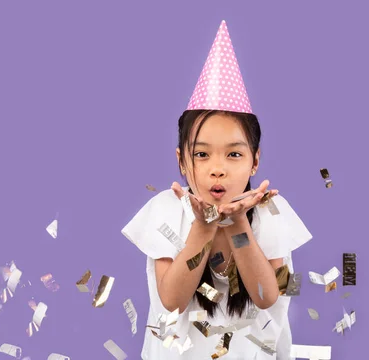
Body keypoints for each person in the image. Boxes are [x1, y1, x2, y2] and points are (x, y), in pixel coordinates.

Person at [121, 20, 312, 360]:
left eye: (234, 154)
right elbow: (173, 301)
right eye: (202, 153)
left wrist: (239, 224)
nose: (217, 167)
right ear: (182, 161)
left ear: (255, 162)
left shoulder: (272, 212)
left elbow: (266, 296)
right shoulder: (165, 209)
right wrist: (205, 225)